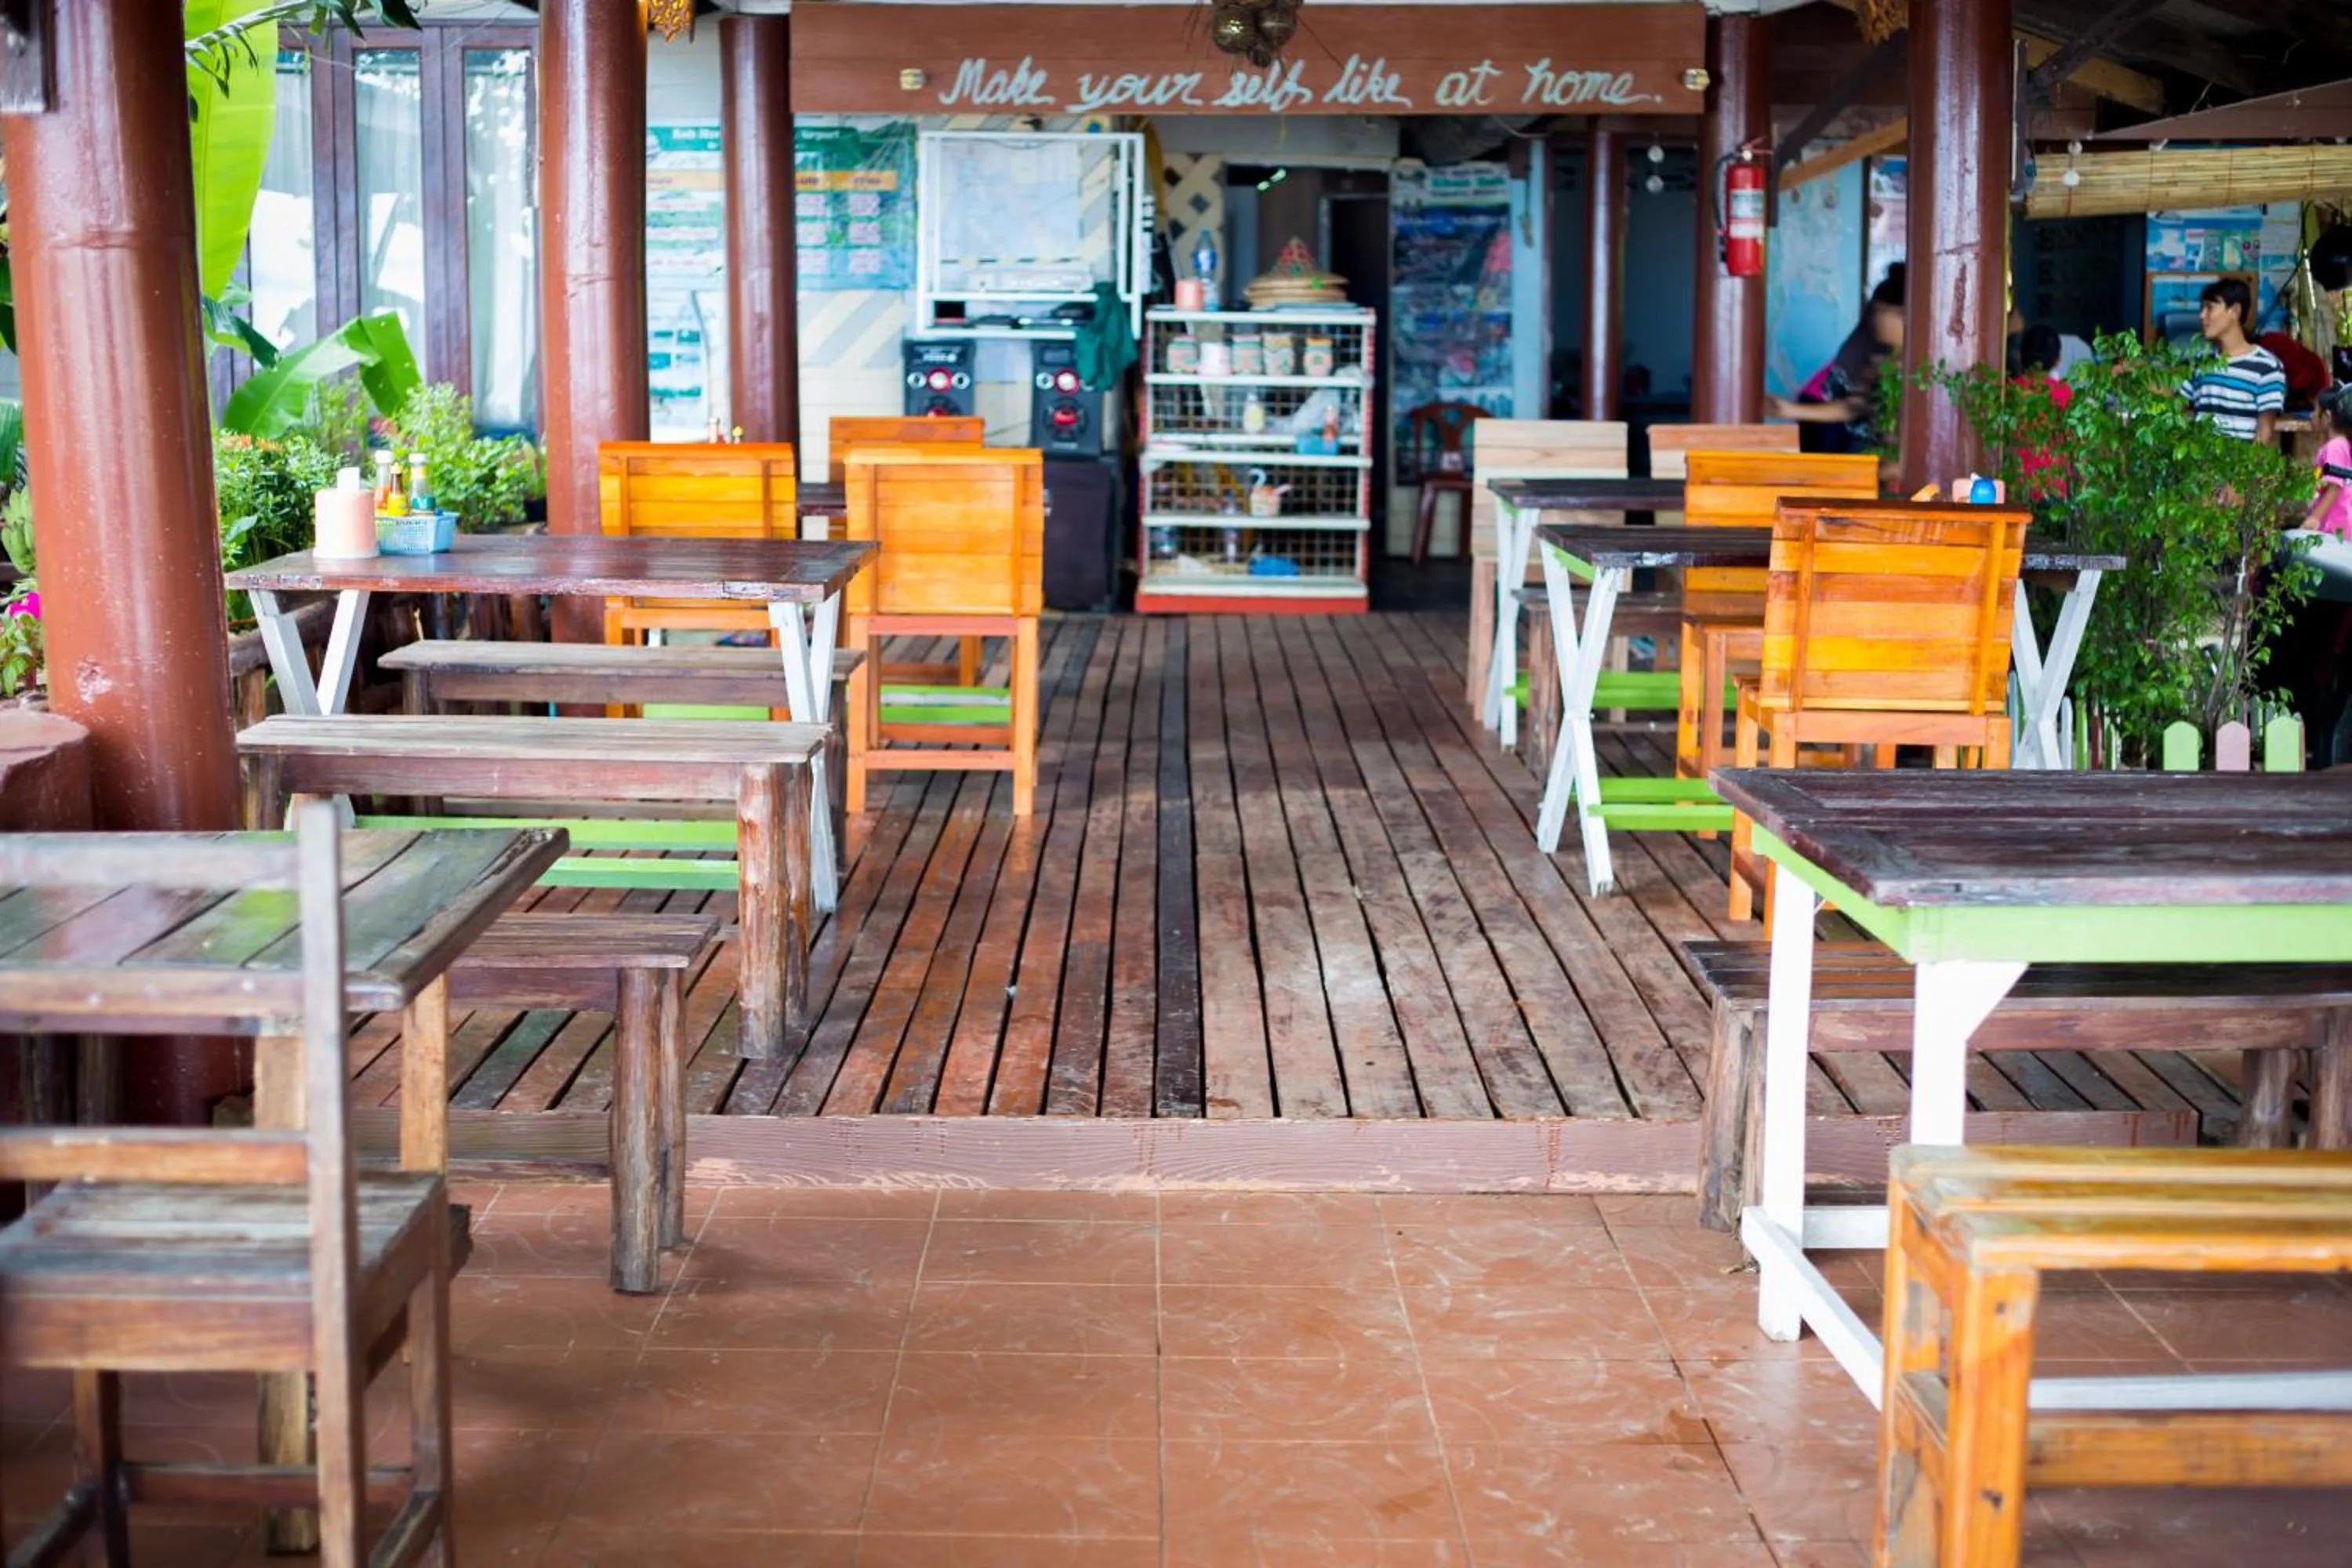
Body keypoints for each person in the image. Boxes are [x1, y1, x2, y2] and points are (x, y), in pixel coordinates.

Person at [1774, 263, 1904, 455]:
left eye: (1884, 314)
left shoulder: (1919, 369)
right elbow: (1852, 408)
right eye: (1875, 313)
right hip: (1866, 455)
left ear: (1905, 316)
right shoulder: (1880, 362)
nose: (1877, 321)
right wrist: (1785, 409)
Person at [2181, 277, 2285, 443]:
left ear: (2235, 311)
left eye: (2210, 308)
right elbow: (2175, 402)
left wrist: (2248, 467)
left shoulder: (2267, 366)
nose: (2202, 316)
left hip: (2239, 466)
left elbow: (2264, 431)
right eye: (2202, 308)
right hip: (2200, 465)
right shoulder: (2201, 362)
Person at [2303, 384, 2352, 538]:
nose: (2311, 416)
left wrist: (2314, 518)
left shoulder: (2335, 447)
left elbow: (2334, 487)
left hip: (2333, 528)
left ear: (2327, 417)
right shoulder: (2337, 445)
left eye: (2315, 412)